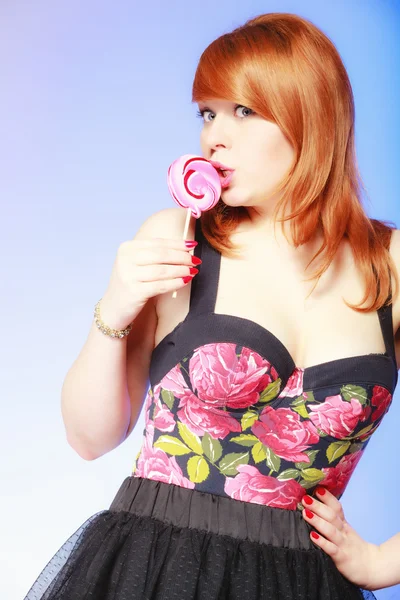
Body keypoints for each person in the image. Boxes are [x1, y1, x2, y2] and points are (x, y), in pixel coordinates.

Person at [23, 11, 400, 600]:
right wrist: (114, 311)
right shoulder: (180, 237)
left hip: (303, 583)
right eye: (208, 113)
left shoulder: (391, 264)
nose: (213, 137)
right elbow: (90, 437)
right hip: (155, 570)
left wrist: (385, 562)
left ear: (311, 114)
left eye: (242, 112)